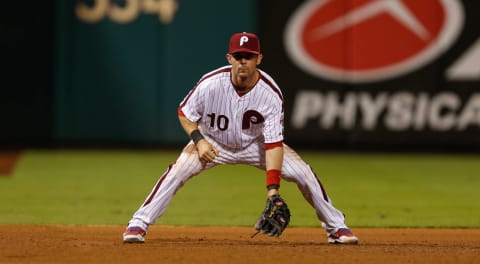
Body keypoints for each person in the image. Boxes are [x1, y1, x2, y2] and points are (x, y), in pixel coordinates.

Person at [123, 32, 358, 244]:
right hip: (212, 141)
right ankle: (138, 223)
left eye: (249, 55)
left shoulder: (270, 94)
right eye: (238, 56)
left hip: (255, 144)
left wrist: (272, 190)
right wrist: (198, 139)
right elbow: (184, 112)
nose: (243, 61)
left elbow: (273, 143)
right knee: (177, 171)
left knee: (303, 173)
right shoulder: (210, 84)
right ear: (229, 58)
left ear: (259, 59)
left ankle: (336, 227)